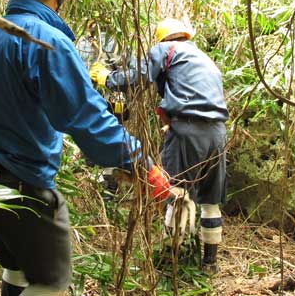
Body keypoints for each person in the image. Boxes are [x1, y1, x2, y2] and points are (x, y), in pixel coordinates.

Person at [0, 0, 171, 296]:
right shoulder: (46, 40)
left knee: (18, 267)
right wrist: (142, 163)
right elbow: (85, 117)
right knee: (52, 284)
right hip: (22, 182)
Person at [90, 18, 229, 274]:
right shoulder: (203, 58)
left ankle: (170, 264)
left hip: (187, 128)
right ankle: (209, 264)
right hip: (218, 133)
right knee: (210, 202)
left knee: (177, 194)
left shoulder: (165, 50)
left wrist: (106, 78)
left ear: (163, 38)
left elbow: (137, 77)